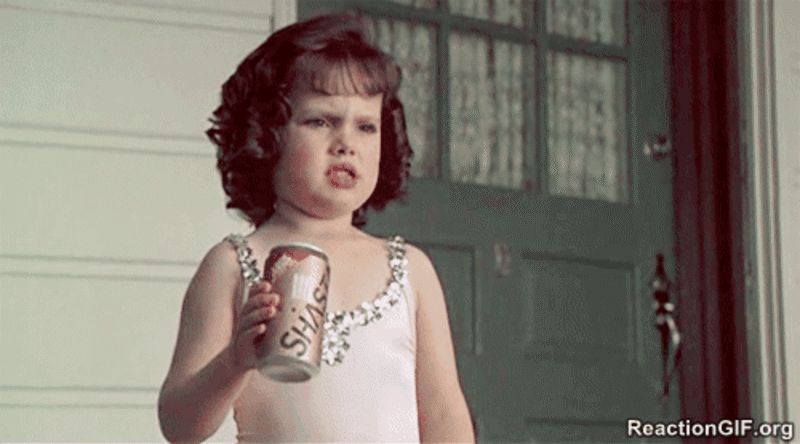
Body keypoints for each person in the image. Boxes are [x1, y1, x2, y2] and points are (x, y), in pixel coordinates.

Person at [158, 13, 475, 443]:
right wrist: (234, 362)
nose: (346, 143)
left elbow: (444, 415)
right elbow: (179, 426)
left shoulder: (410, 270)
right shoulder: (232, 266)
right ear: (265, 135)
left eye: (366, 126)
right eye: (320, 121)